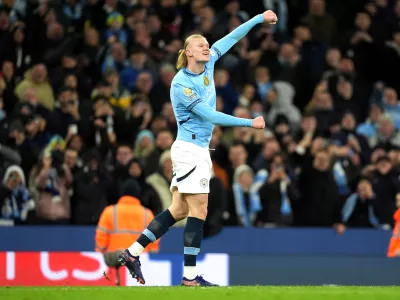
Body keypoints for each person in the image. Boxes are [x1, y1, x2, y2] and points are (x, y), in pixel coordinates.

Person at [118, 10, 277, 286]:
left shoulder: (209, 64)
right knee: (199, 210)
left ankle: (131, 253)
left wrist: (258, 19)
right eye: (200, 44)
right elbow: (209, 115)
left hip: (196, 150)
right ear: (188, 52)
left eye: (206, 43)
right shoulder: (181, 84)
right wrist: (249, 122)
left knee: (178, 210)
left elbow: (232, 38)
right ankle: (190, 278)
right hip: (190, 150)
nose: (206, 46)